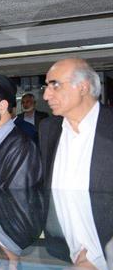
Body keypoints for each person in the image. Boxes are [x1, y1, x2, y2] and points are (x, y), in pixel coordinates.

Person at [41, 58, 111, 192]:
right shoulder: (47, 128)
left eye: (55, 85)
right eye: (46, 87)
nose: (46, 96)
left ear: (83, 87)